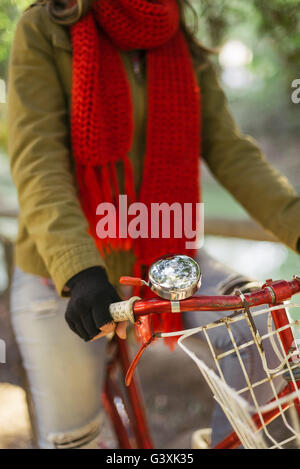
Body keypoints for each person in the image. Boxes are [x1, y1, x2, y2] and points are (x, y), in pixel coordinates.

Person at [7, 0, 300, 449]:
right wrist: (79, 270)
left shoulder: (178, 35)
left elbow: (231, 152)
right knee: (72, 440)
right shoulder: (46, 28)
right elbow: (38, 162)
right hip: (63, 272)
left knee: (257, 332)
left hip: (165, 259)